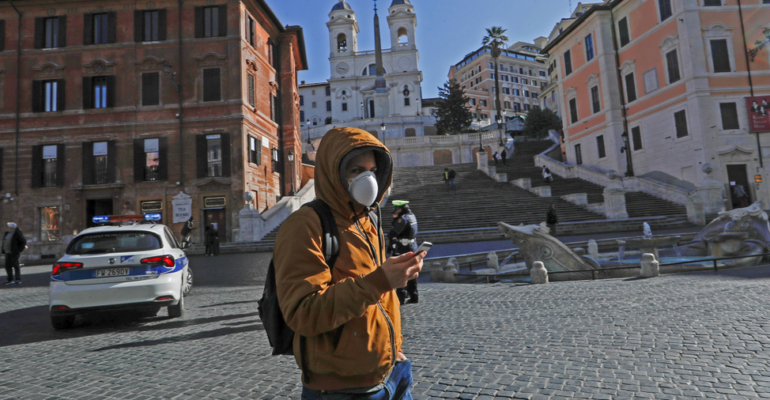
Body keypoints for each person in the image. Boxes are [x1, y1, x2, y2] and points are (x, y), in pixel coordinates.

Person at [274, 127, 423, 399]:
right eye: (356, 170)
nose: (368, 178)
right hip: (342, 389)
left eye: (372, 170)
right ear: (334, 171)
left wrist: (392, 347)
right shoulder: (304, 225)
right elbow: (304, 313)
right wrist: (381, 280)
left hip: (394, 371)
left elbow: (375, 298)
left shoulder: (369, 219)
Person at [389, 201, 419, 305]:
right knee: (411, 271)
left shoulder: (404, 219)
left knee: (400, 271)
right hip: (412, 246)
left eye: (396, 208)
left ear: (400, 209)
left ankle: (400, 297)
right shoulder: (412, 216)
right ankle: (414, 295)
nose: (395, 210)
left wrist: (395, 222)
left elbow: (393, 232)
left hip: (403, 248)